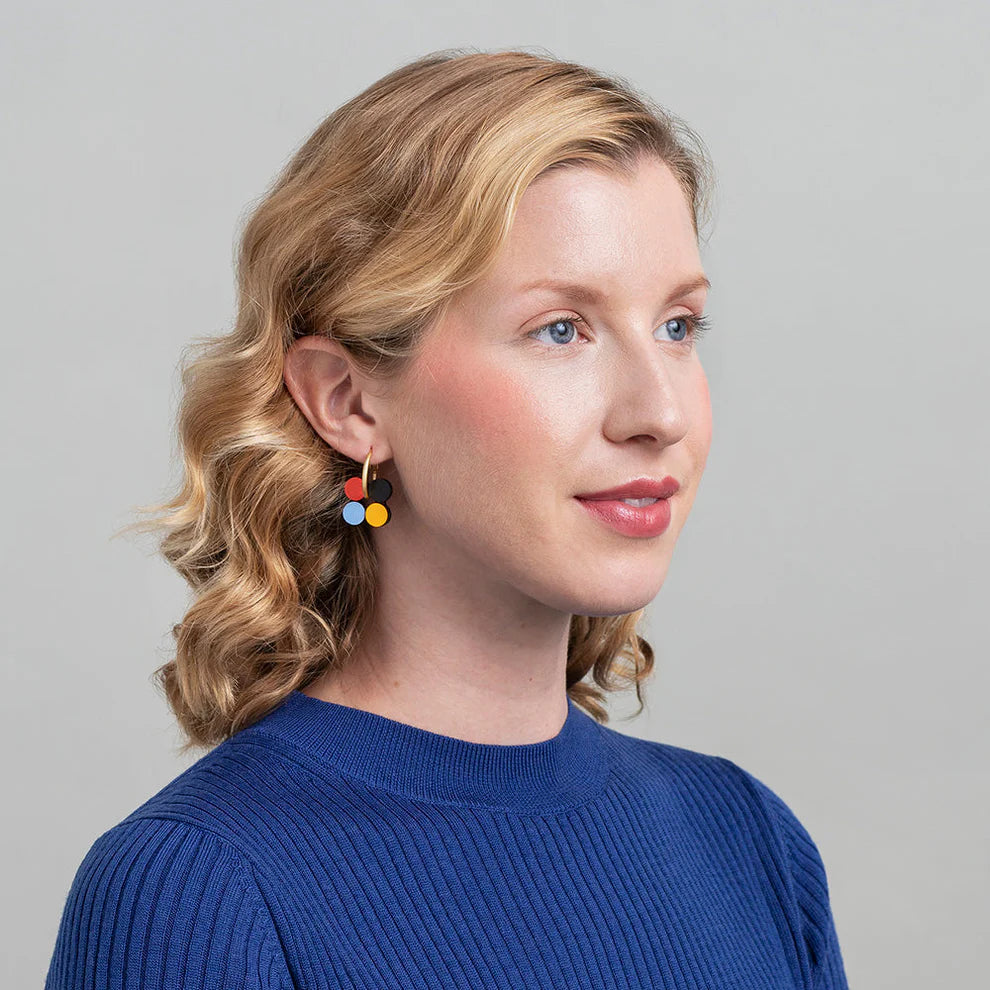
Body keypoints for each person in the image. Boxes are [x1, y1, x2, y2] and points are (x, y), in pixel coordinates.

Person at [45, 47, 849, 989]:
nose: (660, 414)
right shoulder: (198, 890)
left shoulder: (747, 842)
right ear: (347, 400)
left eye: (678, 326)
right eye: (561, 329)